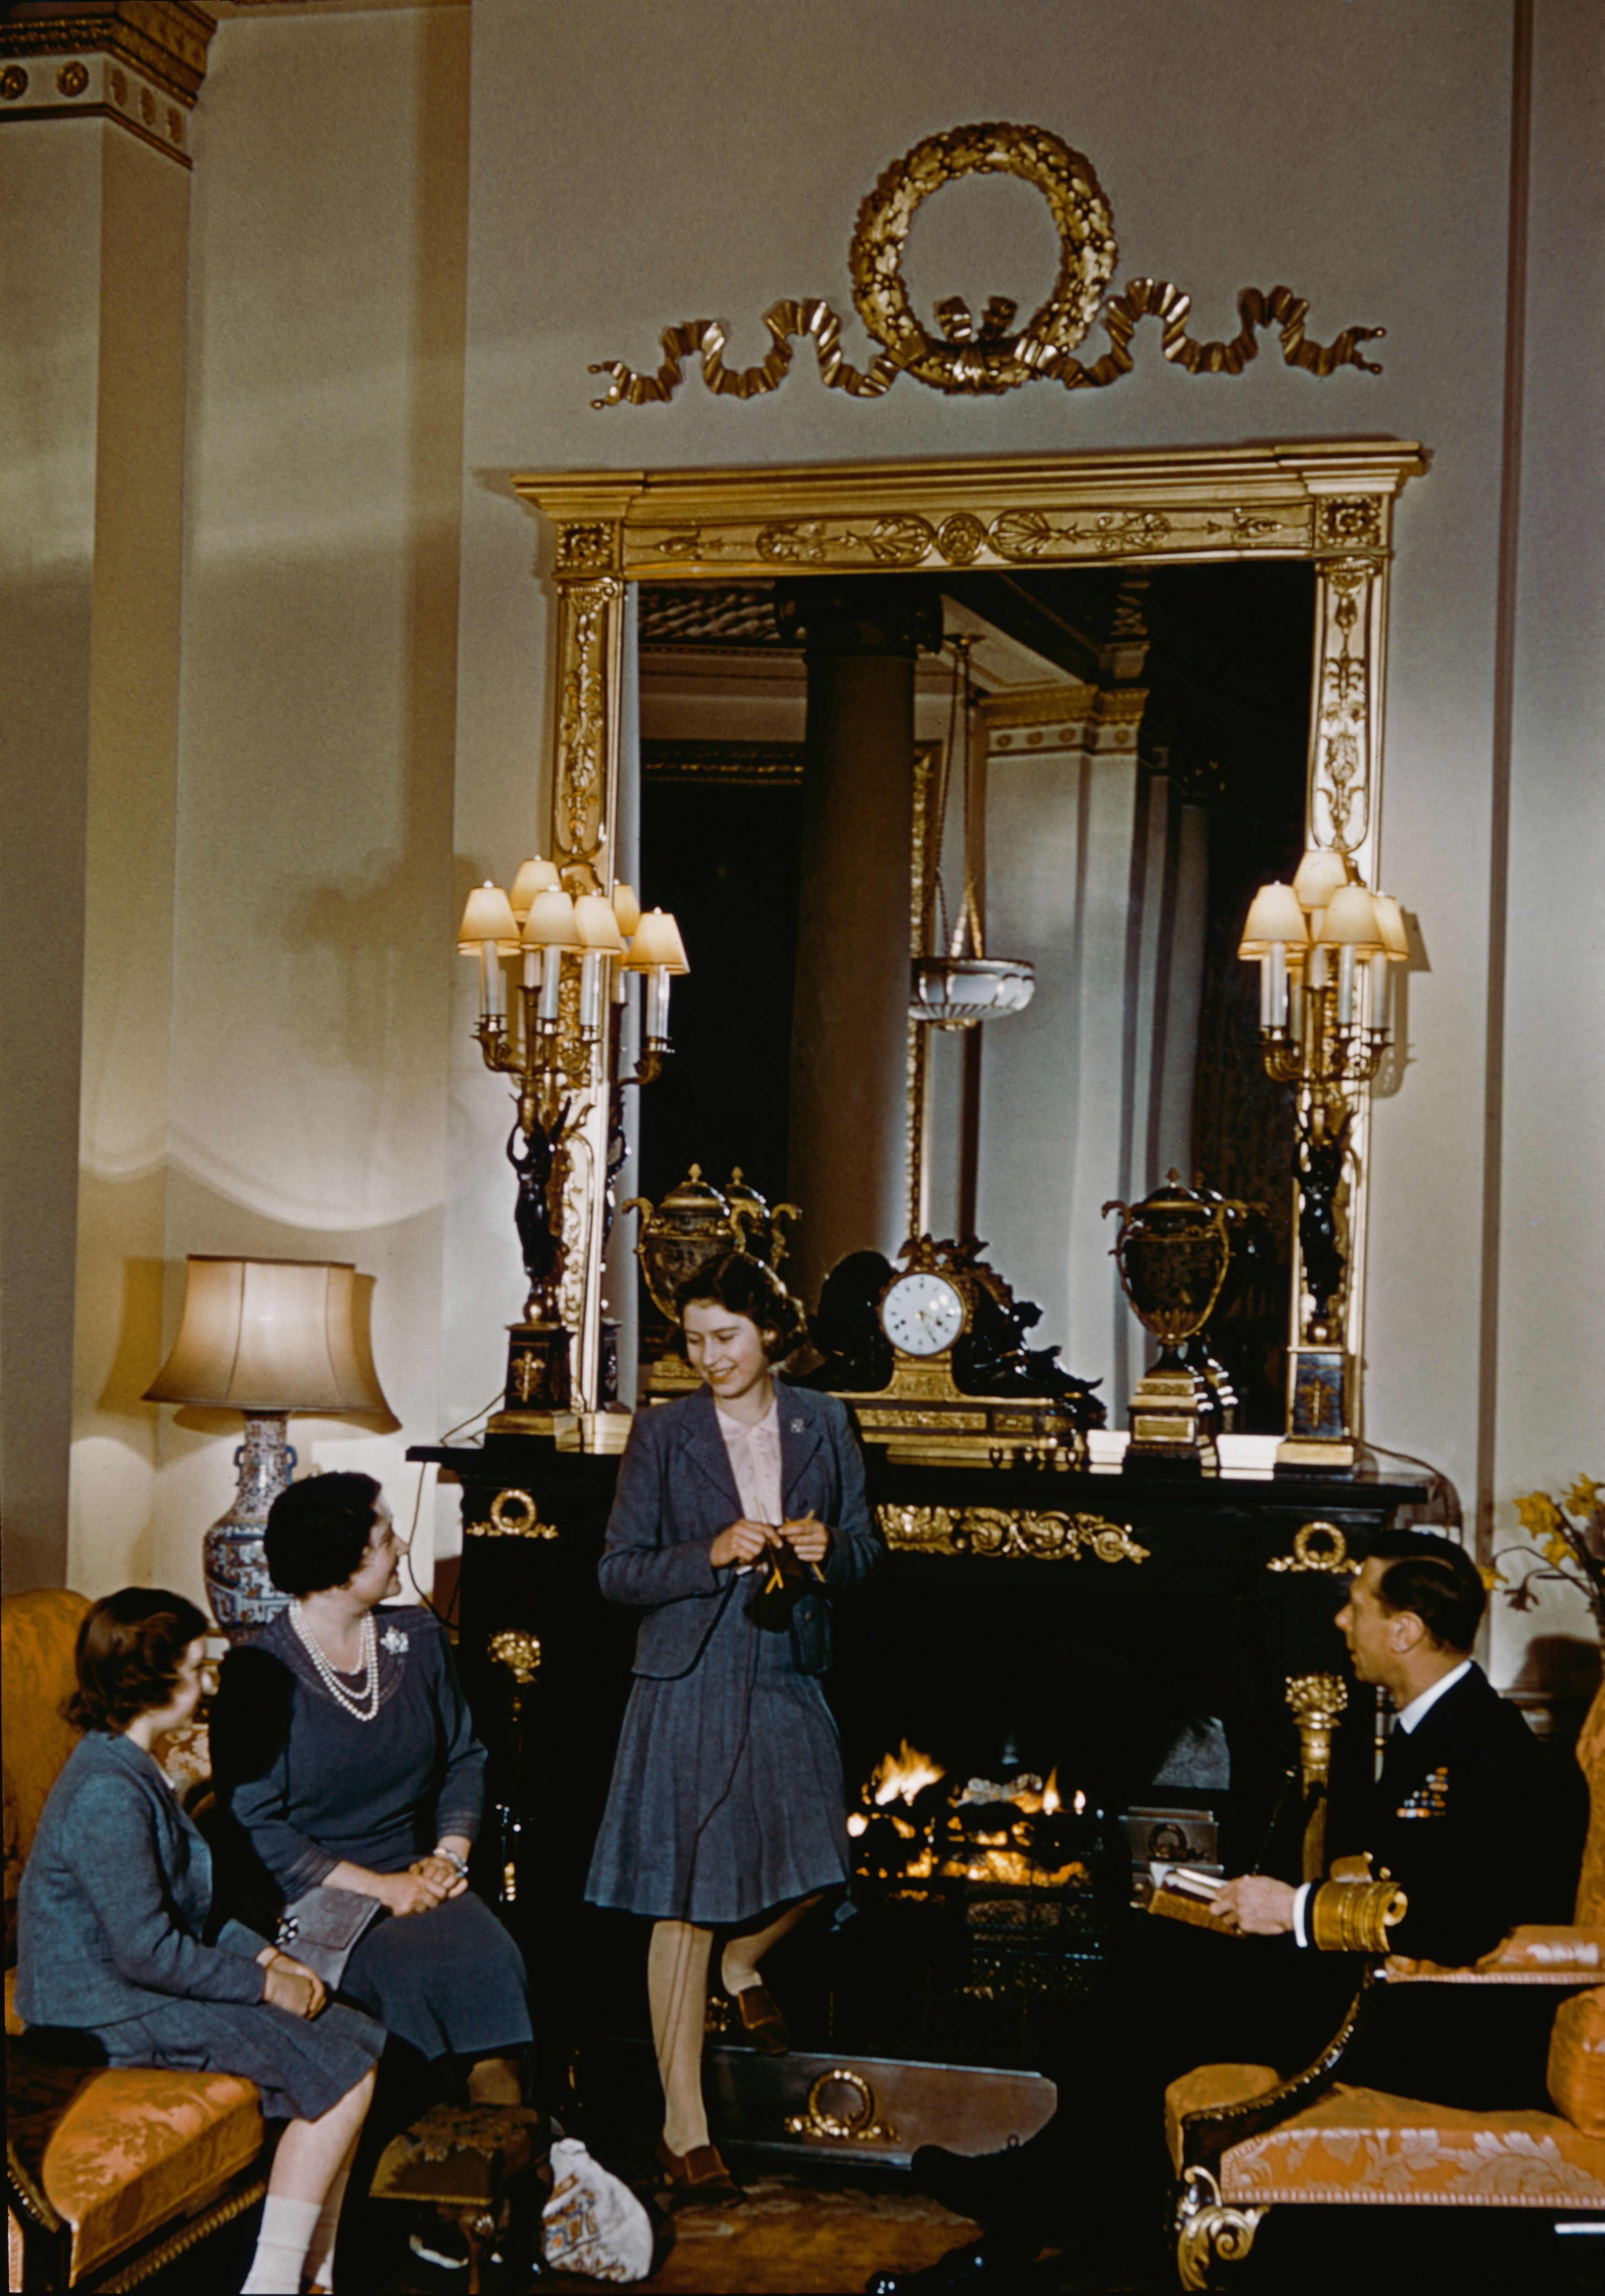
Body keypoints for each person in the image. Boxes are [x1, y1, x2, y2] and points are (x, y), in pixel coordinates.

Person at [872, 1529, 1589, 2292]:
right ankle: (1051, 2203)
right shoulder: (1443, 1726)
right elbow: (1418, 1878)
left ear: (1405, 1630)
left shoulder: (1472, 1749)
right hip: (1393, 1987)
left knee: (1163, 1989)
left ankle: (1043, 2211)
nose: (1341, 1624)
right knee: (1159, 1954)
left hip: (1442, 2027)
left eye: (1355, 1606)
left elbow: (1462, 1922)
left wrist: (1295, 1909)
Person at [585, 1251, 884, 2204]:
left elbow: (870, 1549)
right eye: (693, 1340)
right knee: (681, 1895)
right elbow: (617, 1570)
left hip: (786, 1660)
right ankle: (684, 2125)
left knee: (823, 1851)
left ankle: (744, 1957)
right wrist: (708, 1551)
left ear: (769, 1333)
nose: (706, 1356)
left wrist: (832, 1549)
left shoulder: (825, 1420)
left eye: (725, 1337)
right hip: (686, 1669)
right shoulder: (663, 1433)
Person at [16, 1589, 383, 2296]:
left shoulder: (135, 1770)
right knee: (344, 2077)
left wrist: (272, 1957)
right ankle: (278, 2280)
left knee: (357, 2036)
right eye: (195, 1669)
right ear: (151, 1683)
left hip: (132, 1988)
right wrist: (263, 1986)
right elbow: (147, 1951)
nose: (208, 1683)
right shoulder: (106, 1792)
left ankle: (318, 2269)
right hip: (95, 2011)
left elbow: (191, 1911)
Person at [212, 1474, 532, 2105]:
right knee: (405, 1976)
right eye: (386, 1537)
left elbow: (464, 1757)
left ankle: (502, 2162)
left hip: (422, 1876)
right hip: (318, 1894)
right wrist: (384, 1890)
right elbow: (255, 1826)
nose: (404, 1546)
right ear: (340, 1564)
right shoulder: (259, 1673)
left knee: (492, 1960)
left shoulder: (418, 1638)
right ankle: (407, 2172)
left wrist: (447, 1857)